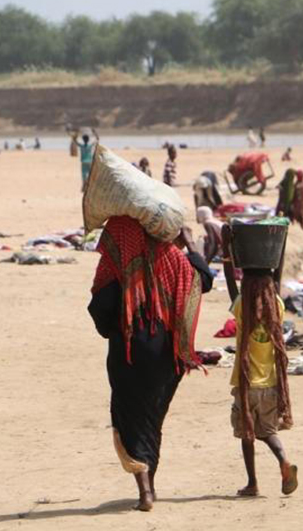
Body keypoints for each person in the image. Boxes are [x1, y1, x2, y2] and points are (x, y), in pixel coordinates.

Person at [88, 218, 213, 511]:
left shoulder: (116, 263)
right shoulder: (172, 258)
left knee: (131, 417)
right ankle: (151, 487)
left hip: (129, 351)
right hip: (168, 353)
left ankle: (145, 491)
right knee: (153, 419)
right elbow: (204, 279)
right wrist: (190, 242)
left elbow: (100, 307)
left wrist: (116, 329)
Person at [229, 268, 298, 497]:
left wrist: (228, 259)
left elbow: (232, 289)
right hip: (270, 385)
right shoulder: (276, 305)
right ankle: (284, 461)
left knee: (247, 435)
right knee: (268, 431)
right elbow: (273, 281)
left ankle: (252, 483)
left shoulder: (241, 305)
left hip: (246, 384)